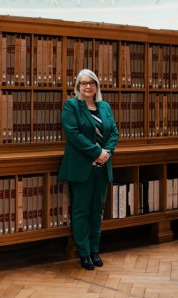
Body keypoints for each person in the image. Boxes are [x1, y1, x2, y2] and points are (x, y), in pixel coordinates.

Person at [58, 69, 119, 270]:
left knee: (96, 212)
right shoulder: (71, 106)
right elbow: (73, 134)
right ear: (78, 86)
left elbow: (114, 132)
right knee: (81, 211)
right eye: (83, 83)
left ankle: (95, 250)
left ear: (96, 86)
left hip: (102, 168)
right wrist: (96, 152)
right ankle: (84, 253)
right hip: (82, 168)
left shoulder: (105, 107)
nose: (87, 86)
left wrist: (107, 152)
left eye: (91, 83)